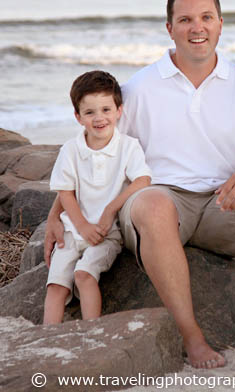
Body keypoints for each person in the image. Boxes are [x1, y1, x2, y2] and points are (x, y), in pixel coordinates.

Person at [44, 0, 235, 368]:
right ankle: (192, 339)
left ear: (220, 24)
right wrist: (55, 215)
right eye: (185, 20)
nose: (197, 28)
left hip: (223, 204)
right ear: (170, 28)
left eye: (206, 18)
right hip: (161, 200)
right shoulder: (140, 88)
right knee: (152, 204)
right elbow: (92, 149)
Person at [43, 71, 151, 324]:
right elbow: (65, 192)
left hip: (107, 234)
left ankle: (91, 333)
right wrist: (81, 225)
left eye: (106, 109)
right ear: (78, 117)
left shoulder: (128, 146)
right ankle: (47, 336)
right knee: (57, 284)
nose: (99, 118)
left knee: (83, 275)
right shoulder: (70, 149)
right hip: (72, 230)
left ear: (119, 111)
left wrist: (110, 210)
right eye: (90, 112)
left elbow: (142, 180)